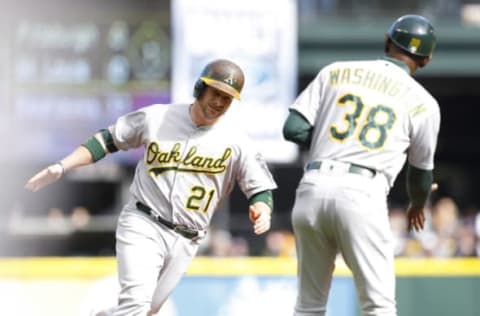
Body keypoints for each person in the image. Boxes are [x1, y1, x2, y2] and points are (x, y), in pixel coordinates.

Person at [25, 59, 277, 315]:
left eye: (228, 98)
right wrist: (61, 166)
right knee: (136, 305)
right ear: (200, 88)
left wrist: (263, 208)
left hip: (188, 238)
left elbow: (259, 187)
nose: (220, 103)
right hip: (144, 222)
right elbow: (107, 140)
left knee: (147, 311)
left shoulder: (236, 140)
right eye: (216, 93)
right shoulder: (157, 117)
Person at [282, 15, 440, 315]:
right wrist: (418, 204)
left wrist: (333, 143)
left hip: (313, 186)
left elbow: (292, 128)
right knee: (378, 304)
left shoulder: (336, 70)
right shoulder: (425, 103)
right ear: (427, 59)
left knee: (308, 304)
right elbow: (421, 173)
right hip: (362, 192)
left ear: (386, 41)